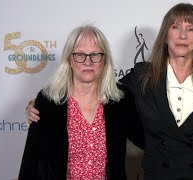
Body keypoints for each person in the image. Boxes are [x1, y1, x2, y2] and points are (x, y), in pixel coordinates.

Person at [25, 3, 193, 180]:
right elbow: (103, 90)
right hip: (159, 176)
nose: (183, 35)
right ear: (165, 35)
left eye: (190, 29)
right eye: (176, 27)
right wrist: (39, 106)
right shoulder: (141, 77)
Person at [19, 25, 143, 180]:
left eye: (95, 55)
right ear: (69, 59)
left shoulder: (120, 99)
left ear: (104, 60)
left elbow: (148, 138)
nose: (88, 62)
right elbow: (31, 160)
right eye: (80, 55)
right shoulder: (49, 100)